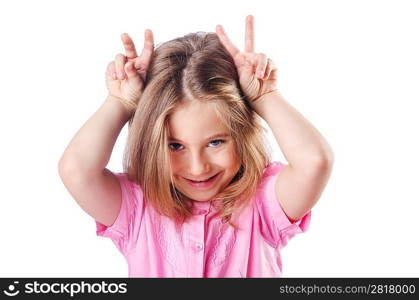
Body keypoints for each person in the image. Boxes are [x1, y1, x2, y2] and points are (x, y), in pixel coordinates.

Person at [58, 15, 334, 277]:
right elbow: (76, 170)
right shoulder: (137, 208)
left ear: (241, 136)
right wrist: (119, 103)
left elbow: (314, 162)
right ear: (151, 145)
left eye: (215, 142)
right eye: (175, 146)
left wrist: (265, 96)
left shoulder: (262, 203)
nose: (197, 167)